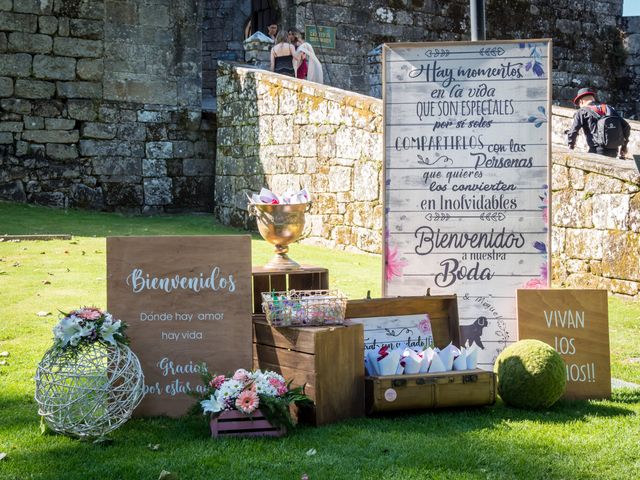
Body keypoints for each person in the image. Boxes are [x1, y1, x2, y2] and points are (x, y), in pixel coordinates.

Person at [566, 87, 630, 159]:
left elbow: (573, 132)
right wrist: (624, 147)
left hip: (596, 151)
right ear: (593, 98)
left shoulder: (582, 111)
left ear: (581, 101)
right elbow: (626, 127)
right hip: (614, 151)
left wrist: (570, 148)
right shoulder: (609, 108)